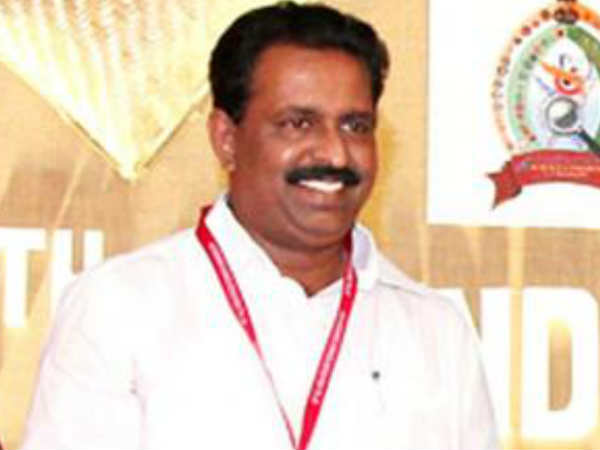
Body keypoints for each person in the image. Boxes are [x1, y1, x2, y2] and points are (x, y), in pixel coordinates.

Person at [21, 2, 499, 449]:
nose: (335, 153)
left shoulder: (437, 332)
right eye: (298, 124)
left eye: (355, 126)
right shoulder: (119, 308)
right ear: (226, 139)